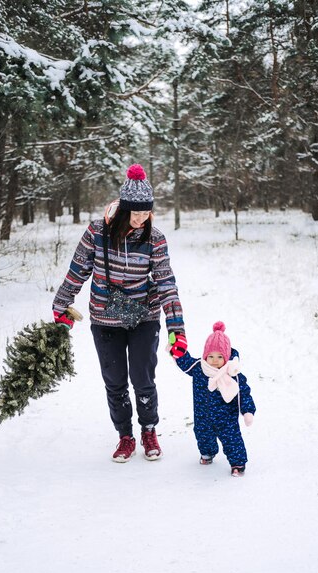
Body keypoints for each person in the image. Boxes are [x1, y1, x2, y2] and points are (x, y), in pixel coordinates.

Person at [52, 164, 186, 462]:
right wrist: (61, 305)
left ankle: (149, 429)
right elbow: (77, 271)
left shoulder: (155, 239)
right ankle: (125, 436)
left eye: (146, 214)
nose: (141, 220)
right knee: (114, 379)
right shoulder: (97, 232)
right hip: (104, 318)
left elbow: (166, 284)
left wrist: (178, 329)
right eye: (135, 214)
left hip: (145, 316)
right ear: (123, 210)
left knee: (143, 377)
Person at [173, 321, 255, 476]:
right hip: (203, 416)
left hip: (226, 419)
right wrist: (176, 347)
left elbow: (244, 394)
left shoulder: (233, 374)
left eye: (219, 356)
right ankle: (208, 453)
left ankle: (238, 463)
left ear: (227, 357)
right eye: (210, 356)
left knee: (232, 440)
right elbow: (185, 362)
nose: (215, 360)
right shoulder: (199, 368)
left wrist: (248, 411)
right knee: (203, 435)